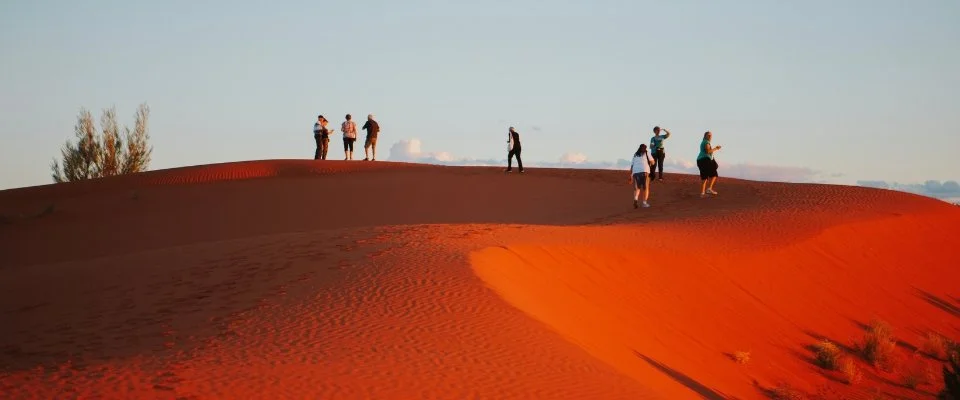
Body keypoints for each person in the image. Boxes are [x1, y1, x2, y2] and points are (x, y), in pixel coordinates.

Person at [696, 131, 722, 197]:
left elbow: (709, 153)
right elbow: (708, 151)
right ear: (705, 136)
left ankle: (702, 193)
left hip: (701, 160)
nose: (710, 136)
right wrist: (716, 148)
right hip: (704, 160)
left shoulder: (704, 142)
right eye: (708, 135)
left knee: (704, 177)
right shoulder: (706, 142)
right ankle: (709, 189)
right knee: (714, 174)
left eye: (711, 135)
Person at [629, 143, 655, 208]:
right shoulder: (646, 153)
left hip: (635, 172)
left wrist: (631, 176)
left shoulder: (635, 154)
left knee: (637, 188)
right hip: (644, 171)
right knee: (645, 188)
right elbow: (653, 162)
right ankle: (644, 203)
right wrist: (651, 164)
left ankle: (635, 199)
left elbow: (632, 166)